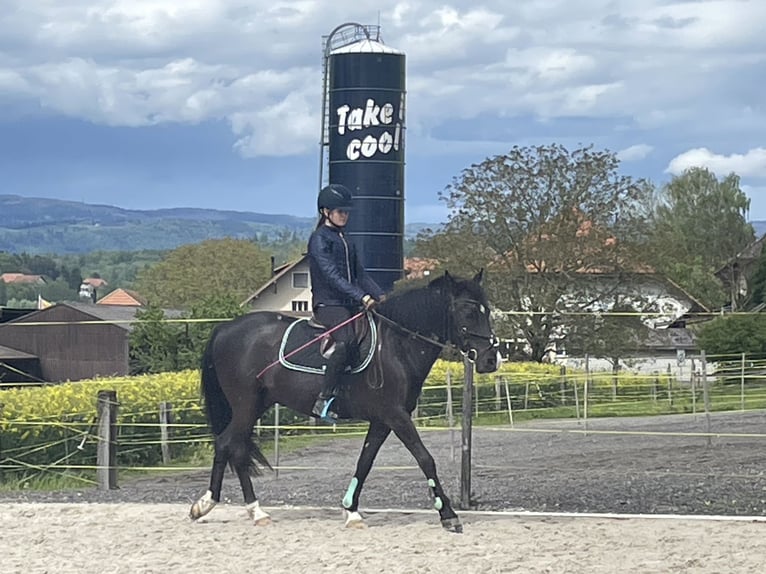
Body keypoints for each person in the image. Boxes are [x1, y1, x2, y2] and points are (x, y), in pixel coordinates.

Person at [307, 183, 384, 419]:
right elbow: (332, 276)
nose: (344, 215)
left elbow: (360, 274)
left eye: (346, 211)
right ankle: (324, 398)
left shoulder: (345, 240)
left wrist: (380, 296)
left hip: (350, 303)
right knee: (346, 341)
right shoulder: (319, 239)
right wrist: (362, 296)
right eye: (340, 211)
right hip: (329, 304)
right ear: (325, 212)